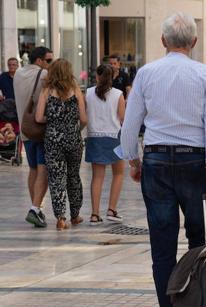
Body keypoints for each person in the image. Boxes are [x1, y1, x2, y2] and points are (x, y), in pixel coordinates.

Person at [119, 12, 206, 307]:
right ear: (194, 42)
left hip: (156, 161)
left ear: (163, 41)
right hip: (194, 162)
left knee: (162, 243)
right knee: (197, 238)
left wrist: (133, 160)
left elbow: (131, 122)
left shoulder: (147, 73)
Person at [34, 59, 87, 230]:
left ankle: (60, 218)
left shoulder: (46, 91)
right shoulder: (76, 90)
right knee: (73, 176)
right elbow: (84, 119)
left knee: (56, 179)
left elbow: (38, 118)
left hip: (53, 140)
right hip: (73, 139)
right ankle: (75, 215)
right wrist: (74, 128)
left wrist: (53, 121)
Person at [13, 46, 54, 228]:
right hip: (41, 129)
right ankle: (35, 208)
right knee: (43, 169)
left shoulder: (18, 74)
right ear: (39, 61)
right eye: (49, 61)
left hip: (25, 130)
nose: (50, 64)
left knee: (33, 170)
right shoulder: (44, 75)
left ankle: (35, 209)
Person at [85, 64, 126, 225]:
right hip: (114, 137)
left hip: (94, 137)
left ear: (97, 76)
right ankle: (111, 209)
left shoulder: (88, 93)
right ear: (113, 77)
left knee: (97, 176)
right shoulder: (118, 94)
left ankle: (94, 214)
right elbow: (122, 118)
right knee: (118, 174)